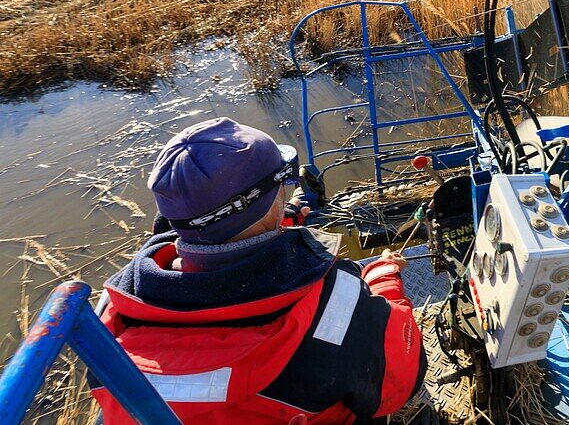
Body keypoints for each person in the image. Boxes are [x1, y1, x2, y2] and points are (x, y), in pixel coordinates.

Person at [89, 117, 426, 424]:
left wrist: (280, 221)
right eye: (286, 176)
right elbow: (403, 379)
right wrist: (383, 275)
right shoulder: (336, 302)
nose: (290, 186)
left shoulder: (110, 313)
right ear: (264, 204)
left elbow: (230, 235)